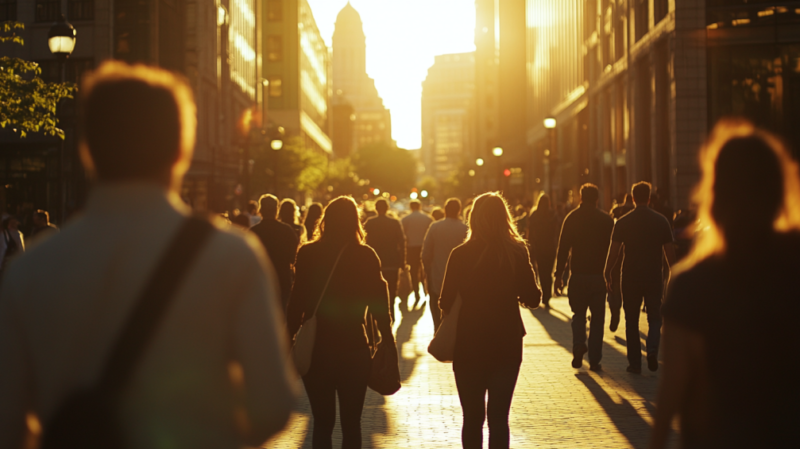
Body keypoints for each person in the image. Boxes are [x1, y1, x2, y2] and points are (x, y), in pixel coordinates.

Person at [0, 61, 296, 449]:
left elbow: (9, 424)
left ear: (88, 149)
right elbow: (273, 405)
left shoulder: (30, 271)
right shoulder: (230, 256)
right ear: (181, 149)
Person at [650, 121, 800, 449]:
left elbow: (674, 387)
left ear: (715, 194)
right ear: (778, 191)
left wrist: (658, 439)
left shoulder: (691, 285)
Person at [287, 196, 395, 449]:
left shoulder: (308, 253)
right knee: (351, 423)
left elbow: (297, 302)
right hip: (354, 348)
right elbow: (380, 305)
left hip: (317, 349)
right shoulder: (366, 255)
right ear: (355, 222)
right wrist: (387, 340)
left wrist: (287, 339)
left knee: (322, 423)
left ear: (326, 220)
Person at [439, 192, 540, 449]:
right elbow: (533, 297)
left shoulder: (460, 254)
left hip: (469, 343)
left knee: (472, 418)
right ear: (504, 218)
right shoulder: (516, 252)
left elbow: (445, 301)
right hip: (506, 343)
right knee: (499, 418)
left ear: (473, 218)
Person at [604, 181, 676, 374]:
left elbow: (614, 252)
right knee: (654, 317)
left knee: (632, 320)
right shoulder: (661, 221)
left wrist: (607, 271)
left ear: (633, 198)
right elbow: (670, 254)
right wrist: (673, 275)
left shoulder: (623, 222)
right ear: (649, 198)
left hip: (630, 277)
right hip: (653, 276)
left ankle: (634, 363)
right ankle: (652, 350)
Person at [553, 184, 614, 371]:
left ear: (580, 197)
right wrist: (612, 275)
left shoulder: (571, 218)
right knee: (597, 318)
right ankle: (595, 359)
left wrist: (558, 276)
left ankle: (579, 344)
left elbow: (562, 248)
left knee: (578, 314)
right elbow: (614, 250)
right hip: (599, 276)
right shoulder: (606, 220)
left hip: (577, 275)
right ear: (596, 199)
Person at [422, 198, 468, 330]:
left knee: (438, 317)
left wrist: (428, 273)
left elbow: (426, 254)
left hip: (437, 277)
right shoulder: (464, 229)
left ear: (445, 210)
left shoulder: (435, 227)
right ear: (459, 210)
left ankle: (438, 334)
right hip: (460, 282)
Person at [251, 194, 300, 309]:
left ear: (260, 210)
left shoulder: (253, 233)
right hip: (282, 280)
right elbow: (294, 258)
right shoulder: (287, 231)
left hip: (260, 283)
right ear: (277, 210)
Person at [364, 199, 406, 320]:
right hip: (392, 261)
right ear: (387, 208)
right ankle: (390, 315)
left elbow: (364, 242)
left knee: (375, 292)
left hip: (374, 263)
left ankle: (376, 316)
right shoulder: (394, 223)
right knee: (391, 291)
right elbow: (402, 242)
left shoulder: (370, 223)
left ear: (376, 208)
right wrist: (402, 261)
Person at [607, 193, 635, 331]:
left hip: (617, 259)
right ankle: (627, 317)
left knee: (614, 289)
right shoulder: (636, 217)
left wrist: (606, 269)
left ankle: (615, 312)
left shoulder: (617, 211)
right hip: (631, 260)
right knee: (630, 294)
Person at [527, 193, 558, 306]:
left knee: (541, 271)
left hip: (539, 247)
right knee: (548, 272)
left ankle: (543, 293)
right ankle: (547, 295)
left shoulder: (534, 215)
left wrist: (530, 244)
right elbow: (556, 231)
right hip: (550, 247)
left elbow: (530, 232)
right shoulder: (553, 215)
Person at [401, 200, 433, 303]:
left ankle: (416, 292)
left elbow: (403, 236)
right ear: (420, 206)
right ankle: (426, 290)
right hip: (424, 246)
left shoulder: (405, 219)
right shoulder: (428, 219)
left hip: (411, 248)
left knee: (414, 271)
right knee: (425, 270)